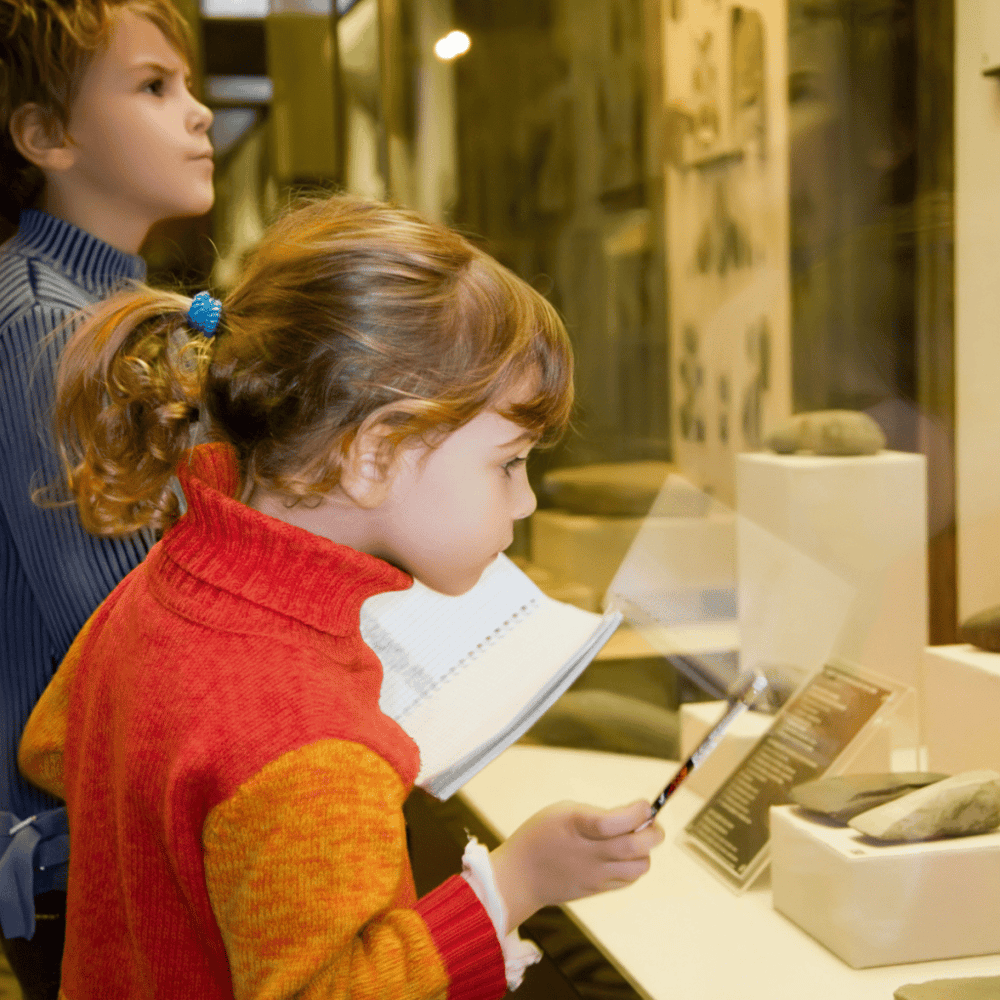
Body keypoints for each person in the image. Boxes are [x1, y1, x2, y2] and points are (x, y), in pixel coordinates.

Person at [18, 194, 664, 999]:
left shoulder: (170, 578)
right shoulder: (314, 743)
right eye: (508, 463)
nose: (525, 500)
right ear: (374, 453)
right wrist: (513, 884)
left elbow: (51, 744)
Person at [0, 1, 213, 995]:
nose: (200, 113)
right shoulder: (49, 331)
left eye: (190, 84)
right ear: (46, 135)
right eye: (153, 86)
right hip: (87, 852)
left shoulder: (103, 315)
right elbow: (131, 630)